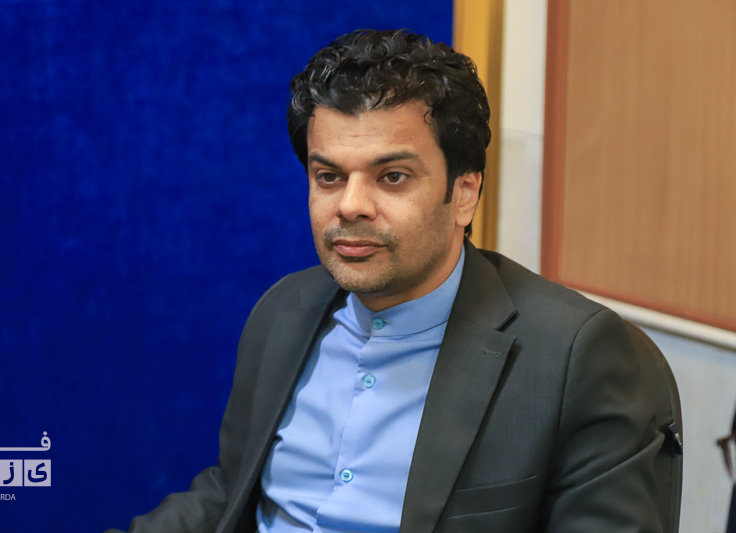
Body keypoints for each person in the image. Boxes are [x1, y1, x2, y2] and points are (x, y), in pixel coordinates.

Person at [109, 29, 679, 533]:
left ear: (464, 193)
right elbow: (230, 492)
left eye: (393, 177)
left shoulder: (578, 356)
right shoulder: (283, 309)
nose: (350, 205)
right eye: (328, 176)